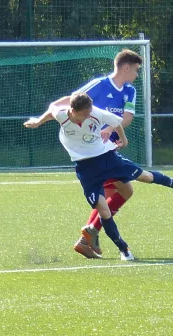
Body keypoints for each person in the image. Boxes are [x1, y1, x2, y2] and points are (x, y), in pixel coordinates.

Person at [24, 92, 173, 261]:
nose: (88, 116)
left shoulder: (96, 113)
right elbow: (50, 111)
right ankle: (124, 249)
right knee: (103, 211)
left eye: (89, 112)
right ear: (74, 111)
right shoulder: (61, 115)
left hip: (107, 159)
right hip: (86, 169)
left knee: (145, 177)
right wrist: (38, 122)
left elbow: (117, 122)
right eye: (85, 113)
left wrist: (123, 141)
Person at [49, 49, 145, 259]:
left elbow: (126, 118)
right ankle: (90, 233)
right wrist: (42, 118)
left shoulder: (130, 91)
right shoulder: (99, 85)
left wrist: (111, 129)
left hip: (109, 149)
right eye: (136, 70)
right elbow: (70, 101)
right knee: (120, 193)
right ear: (126, 67)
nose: (137, 75)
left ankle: (89, 234)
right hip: (94, 153)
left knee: (120, 194)